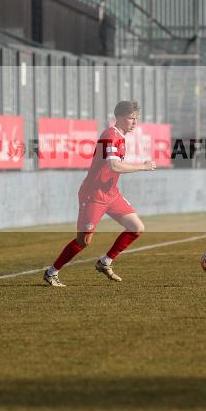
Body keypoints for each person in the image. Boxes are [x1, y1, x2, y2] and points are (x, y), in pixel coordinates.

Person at [43, 100, 156, 287]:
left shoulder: (121, 137)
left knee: (137, 227)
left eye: (136, 119)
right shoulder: (110, 136)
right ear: (119, 117)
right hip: (94, 195)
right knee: (84, 241)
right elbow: (113, 165)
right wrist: (142, 167)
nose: (135, 123)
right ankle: (51, 272)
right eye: (131, 118)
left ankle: (105, 262)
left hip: (111, 194)